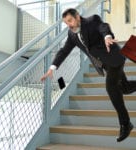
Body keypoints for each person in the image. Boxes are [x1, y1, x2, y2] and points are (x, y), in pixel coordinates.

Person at [41, 8, 135, 142]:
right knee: (124, 88)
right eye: (66, 23)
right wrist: (52, 67)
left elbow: (103, 27)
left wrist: (107, 36)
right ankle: (126, 121)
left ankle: (126, 124)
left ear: (77, 17)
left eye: (70, 21)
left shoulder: (92, 20)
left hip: (114, 57)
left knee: (111, 88)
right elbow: (64, 50)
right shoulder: (72, 35)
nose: (69, 25)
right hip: (105, 64)